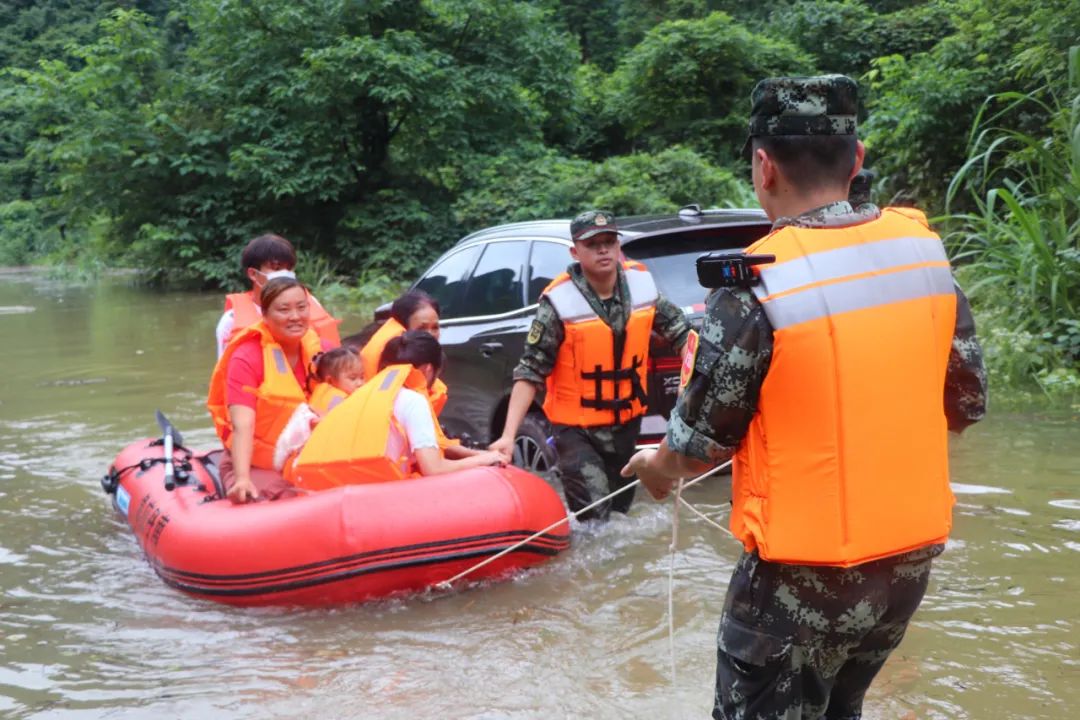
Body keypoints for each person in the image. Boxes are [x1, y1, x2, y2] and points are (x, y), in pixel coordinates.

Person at [621, 75, 988, 719]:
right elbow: (965, 405)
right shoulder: (927, 260)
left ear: (764, 167)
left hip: (797, 583)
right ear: (858, 159)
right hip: (905, 568)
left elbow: (698, 445)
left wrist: (656, 467)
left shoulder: (759, 283)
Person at [490, 210, 690, 521]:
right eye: (593, 243)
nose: (603, 249)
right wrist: (507, 435)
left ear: (617, 246)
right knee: (596, 517)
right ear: (575, 251)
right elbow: (530, 370)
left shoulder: (641, 285)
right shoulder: (557, 302)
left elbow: (681, 333)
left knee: (621, 515)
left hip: (626, 421)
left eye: (609, 242)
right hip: (576, 429)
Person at [288, 331, 505, 489]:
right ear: (428, 370)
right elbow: (433, 469)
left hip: (338, 489)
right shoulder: (412, 401)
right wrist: (485, 459)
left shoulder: (364, 394)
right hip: (381, 494)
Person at [208, 276, 328, 504]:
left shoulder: (323, 352)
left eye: (302, 307)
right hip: (255, 460)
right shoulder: (247, 357)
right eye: (284, 310)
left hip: (310, 456)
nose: (295, 316)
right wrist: (242, 477)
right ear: (264, 315)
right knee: (286, 497)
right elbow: (243, 425)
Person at [359, 289, 483, 460]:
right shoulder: (406, 375)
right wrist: (480, 458)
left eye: (435, 328)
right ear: (405, 330)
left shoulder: (402, 359)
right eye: (422, 328)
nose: (430, 335)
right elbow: (433, 465)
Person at [215, 233, 341, 357]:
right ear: (253, 274)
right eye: (276, 268)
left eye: (289, 268)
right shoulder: (231, 320)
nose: (284, 274)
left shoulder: (311, 303)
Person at [308, 347, 364, 416]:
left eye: (362, 377)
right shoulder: (337, 402)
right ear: (330, 381)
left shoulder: (321, 394)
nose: (360, 383)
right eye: (352, 378)